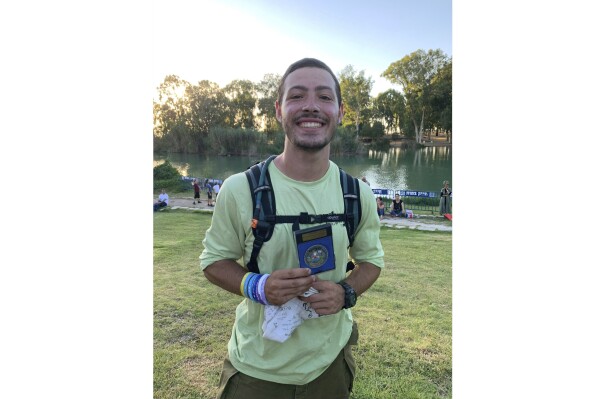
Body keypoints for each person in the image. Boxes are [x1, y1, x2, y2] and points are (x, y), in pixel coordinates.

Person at [200, 58, 384, 399]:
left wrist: (346, 292)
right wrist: (258, 286)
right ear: (279, 110)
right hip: (256, 372)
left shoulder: (358, 194)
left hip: (330, 366)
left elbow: (371, 261)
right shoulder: (241, 189)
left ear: (340, 111)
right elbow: (213, 262)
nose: (311, 106)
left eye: (324, 97)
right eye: (297, 96)